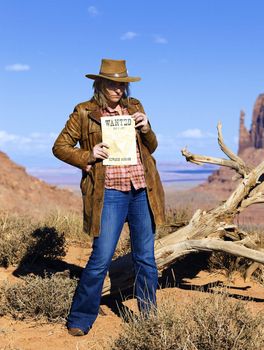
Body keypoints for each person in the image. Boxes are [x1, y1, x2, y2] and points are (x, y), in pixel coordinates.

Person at [52, 58, 165, 336]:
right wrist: (87, 155)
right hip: (109, 193)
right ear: (100, 84)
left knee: (146, 259)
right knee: (101, 257)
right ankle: (80, 317)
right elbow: (60, 147)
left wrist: (147, 129)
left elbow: (152, 147)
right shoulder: (84, 112)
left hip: (141, 190)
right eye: (113, 84)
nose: (119, 90)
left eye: (122, 84)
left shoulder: (135, 107)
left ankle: (149, 318)